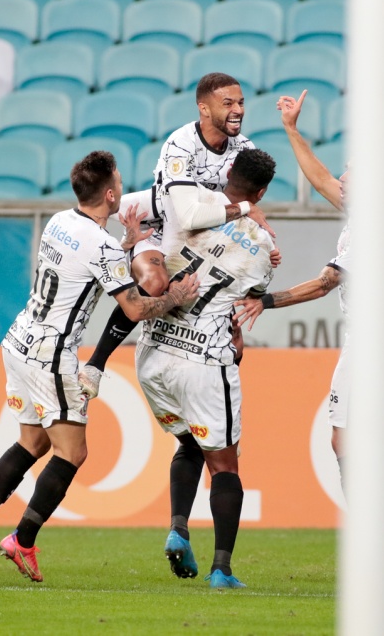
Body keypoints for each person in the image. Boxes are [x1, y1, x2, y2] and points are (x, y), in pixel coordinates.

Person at [234, 90, 384, 586]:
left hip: (375, 345)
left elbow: (326, 281)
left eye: (352, 173)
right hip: (380, 341)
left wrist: (264, 301)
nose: (343, 178)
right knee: (353, 442)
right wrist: (291, 130)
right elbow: (319, 177)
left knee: (353, 443)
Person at [0, 151, 199, 582]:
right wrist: (175, 298)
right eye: (119, 181)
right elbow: (135, 308)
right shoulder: (101, 244)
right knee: (73, 451)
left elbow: (82, 264)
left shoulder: (59, 221)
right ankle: (23, 539)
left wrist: (122, 247)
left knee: (32, 442)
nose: (122, 186)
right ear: (109, 193)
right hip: (51, 354)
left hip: (19, 339)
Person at [79, 72, 276, 396]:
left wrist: (261, 241)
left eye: (240, 102)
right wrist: (244, 210)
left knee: (233, 332)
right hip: (161, 223)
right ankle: (96, 365)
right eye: (227, 103)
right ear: (204, 107)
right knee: (156, 283)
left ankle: (219, 413)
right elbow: (188, 215)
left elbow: (246, 200)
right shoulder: (181, 144)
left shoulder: (243, 148)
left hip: (202, 232)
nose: (237, 109)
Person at [136, 148, 278, 589]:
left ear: (228, 174)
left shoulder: (185, 213)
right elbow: (246, 299)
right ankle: (222, 570)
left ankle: (178, 528)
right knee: (225, 467)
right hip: (203, 361)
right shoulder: (264, 247)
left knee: (188, 443)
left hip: (154, 352)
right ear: (261, 192)